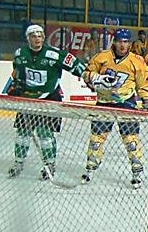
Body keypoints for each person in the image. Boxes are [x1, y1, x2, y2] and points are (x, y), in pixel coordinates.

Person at [6, 24, 87, 180]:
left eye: (40, 36)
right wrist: (16, 86)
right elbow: (17, 73)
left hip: (49, 98)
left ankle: (49, 165)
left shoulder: (54, 54)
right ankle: (18, 163)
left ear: (43, 37)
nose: (37, 39)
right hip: (28, 99)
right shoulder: (20, 54)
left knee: (45, 134)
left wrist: (91, 78)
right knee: (22, 133)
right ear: (28, 38)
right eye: (33, 36)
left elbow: (78, 67)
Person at [81, 28, 148, 188]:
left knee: (131, 140)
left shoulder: (137, 61)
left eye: (126, 42)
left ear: (130, 43)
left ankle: (136, 172)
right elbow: (86, 74)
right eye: (120, 41)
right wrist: (97, 79)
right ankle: (91, 167)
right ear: (114, 42)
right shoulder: (101, 57)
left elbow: (144, 82)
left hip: (126, 103)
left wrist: (146, 101)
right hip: (104, 103)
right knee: (96, 139)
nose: (123, 45)